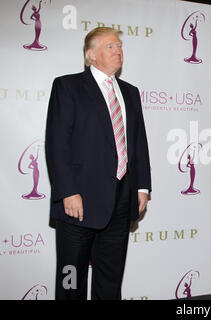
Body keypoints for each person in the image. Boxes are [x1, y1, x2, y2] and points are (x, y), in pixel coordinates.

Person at [45, 27, 151, 300]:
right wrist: (67, 191)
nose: (118, 51)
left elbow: (138, 141)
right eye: (110, 46)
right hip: (77, 203)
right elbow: (57, 143)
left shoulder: (130, 92)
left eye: (119, 46)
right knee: (71, 279)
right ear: (91, 55)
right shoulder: (67, 86)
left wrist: (141, 187)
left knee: (110, 278)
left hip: (121, 201)